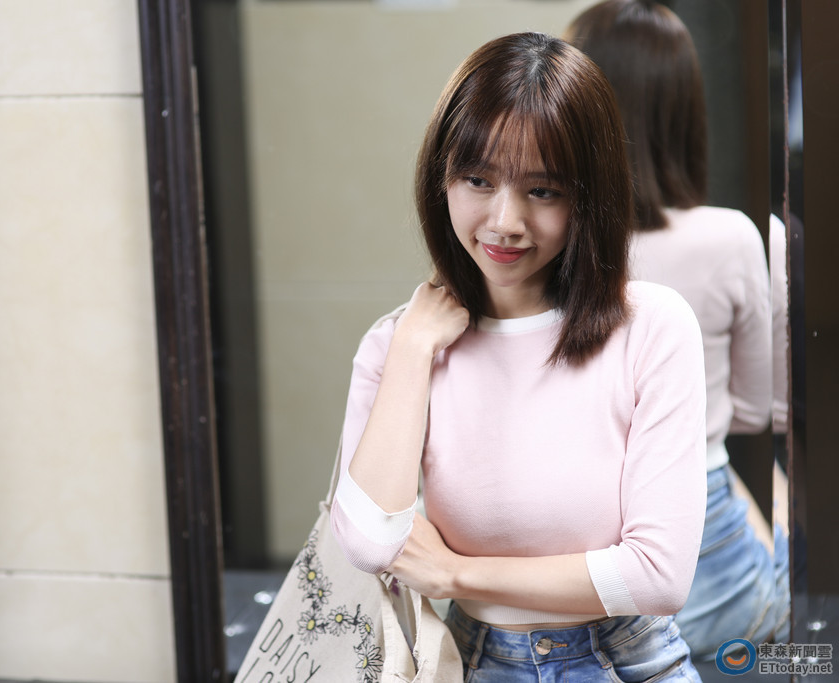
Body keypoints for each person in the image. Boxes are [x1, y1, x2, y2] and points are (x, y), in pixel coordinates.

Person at [330, 32, 707, 681]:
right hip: (473, 661)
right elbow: (369, 542)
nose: (505, 221)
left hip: (626, 660)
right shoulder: (400, 343)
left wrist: (455, 573)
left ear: (588, 196)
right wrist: (414, 346)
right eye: (478, 180)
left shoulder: (652, 325)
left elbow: (656, 576)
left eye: (543, 191)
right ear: (441, 178)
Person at [566, 0, 790, 660]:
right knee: (803, 642)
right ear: (684, 110)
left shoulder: (546, 240)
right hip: (710, 553)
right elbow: (757, 410)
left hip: (580, 562)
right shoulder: (734, 237)